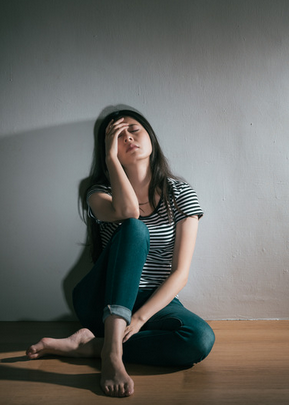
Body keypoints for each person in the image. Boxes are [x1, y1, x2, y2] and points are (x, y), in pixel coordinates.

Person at [26, 109, 215, 397]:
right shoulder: (97, 192)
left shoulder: (180, 193)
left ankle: (90, 347)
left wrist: (139, 319)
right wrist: (111, 159)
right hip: (99, 299)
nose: (127, 136)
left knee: (199, 339)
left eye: (134, 129)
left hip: (154, 299)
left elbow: (180, 273)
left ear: (150, 137)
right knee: (135, 229)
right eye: (116, 136)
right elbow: (128, 213)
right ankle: (112, 354)